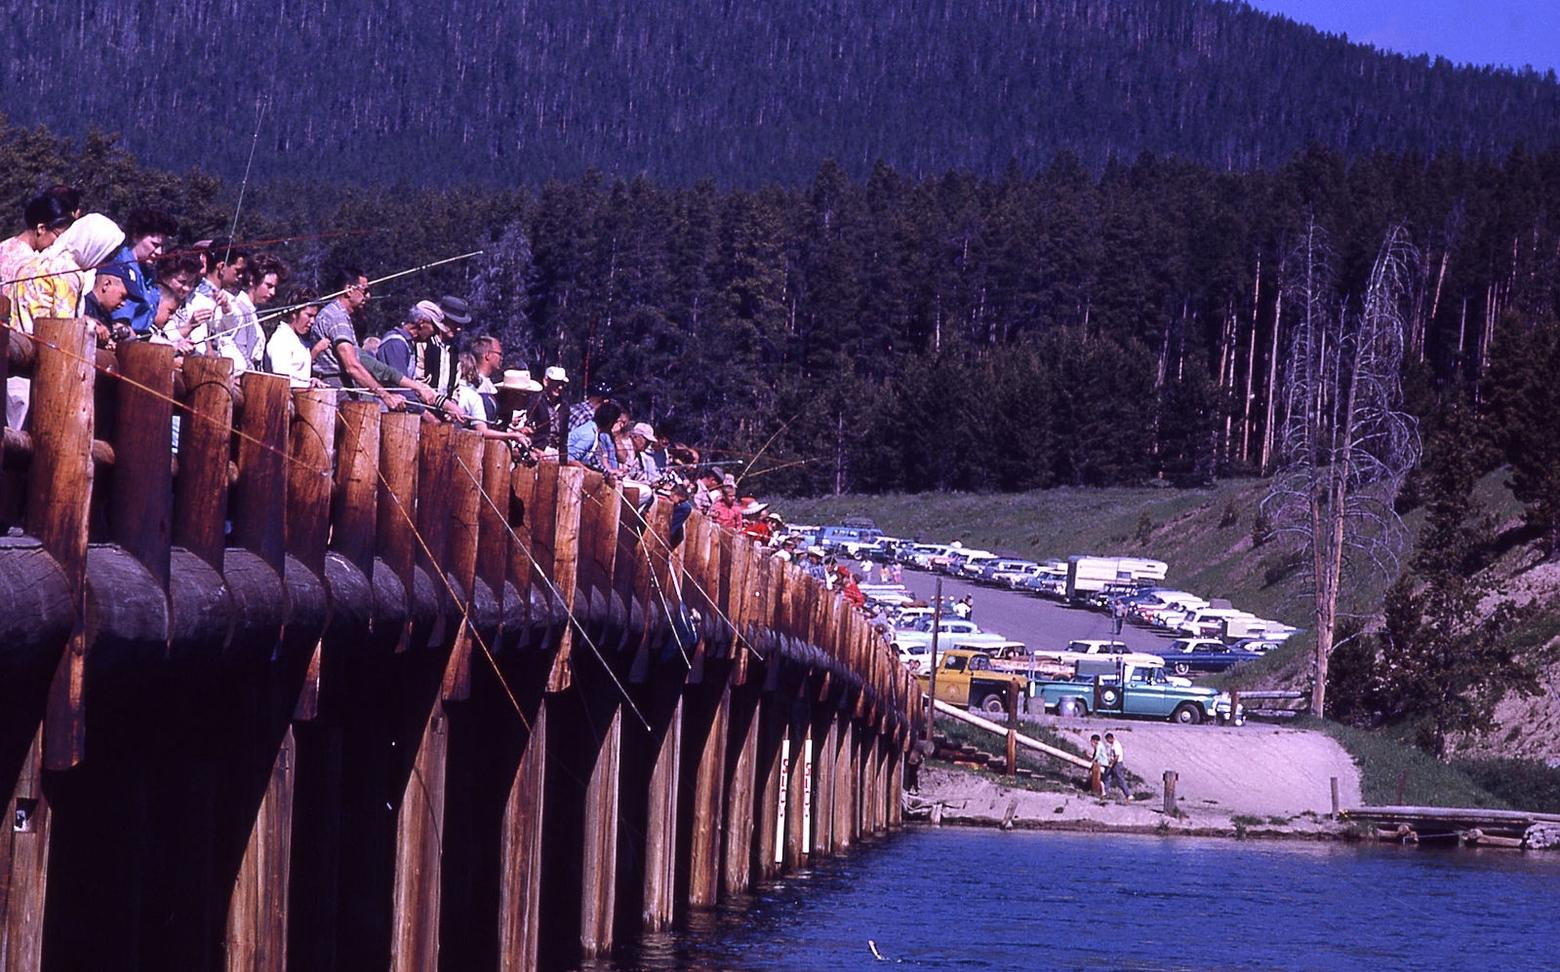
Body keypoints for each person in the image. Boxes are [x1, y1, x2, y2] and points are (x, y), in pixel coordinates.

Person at [309, 267, 405, 411]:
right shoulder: (336, 317)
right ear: (349, 290)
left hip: (341, 387)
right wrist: (386, 396)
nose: (368, 296)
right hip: (334, 389)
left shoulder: (340, 316)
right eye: (364, 290)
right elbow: (352, 366)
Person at [105, 207, 178, 338]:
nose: (159, 252)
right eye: (155, 245)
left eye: (163, 246)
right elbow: (120, 326)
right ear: (136, 236)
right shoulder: (121, 270)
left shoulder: (149, 274)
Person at [213, 253, 282, 373]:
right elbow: (239, 349)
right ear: (252, 280)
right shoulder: (238, 307)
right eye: (269, 286)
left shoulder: (251, 312)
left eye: (275, 287)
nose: (272, 292)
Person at [0, 188, 78, 284]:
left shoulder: (4, 246)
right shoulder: (31, 266)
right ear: (42, 228)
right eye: (59, 236)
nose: (59, 243)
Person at [265, 289, 323, 388]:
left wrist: (311, 381)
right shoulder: (281, 339)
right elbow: (281, 380)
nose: (312, 321)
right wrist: (307, 384)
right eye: (309, 315)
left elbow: (296, 375)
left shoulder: (297, 339)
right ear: (294, 313)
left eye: (314, 316)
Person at [374, 300, 443, 380]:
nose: (436, 333)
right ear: (422, 322)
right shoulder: (396, 344)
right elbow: (400, 384)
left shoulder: (408, 344)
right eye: (435, 328)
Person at [528, 365, 570, 455]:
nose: (560, 387)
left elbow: (564, 436)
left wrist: (563, 458)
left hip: (556, 453)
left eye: (562, 384)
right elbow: (528, 428)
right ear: (546, 382)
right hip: (538, 452)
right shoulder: (536, 401)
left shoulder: (564, 406)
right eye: (556, 383)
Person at [1104, 732, 1132, 801]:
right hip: (1114, 763)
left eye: (1108, 740)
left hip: (1117, 764)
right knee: (1108, 777)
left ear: (1110, 738)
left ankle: (1128, 794)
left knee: (1120, 779)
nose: (1107, 742)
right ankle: (1105, 793)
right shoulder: (1113, 745)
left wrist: (1112, 764)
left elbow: (1117, 756)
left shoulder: (1116, 745)